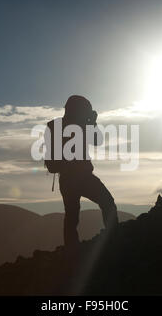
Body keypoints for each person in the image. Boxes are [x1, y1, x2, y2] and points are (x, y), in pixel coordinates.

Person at [54, 95, 119, 249]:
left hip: (67, 179)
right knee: (108, 203)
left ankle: (71, 250)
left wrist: (89, 122)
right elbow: (97, 141)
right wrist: (92, 122)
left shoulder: (58, 126)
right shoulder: (79, 125)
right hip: (82, 177)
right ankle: (114, 239)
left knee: (71, 216)